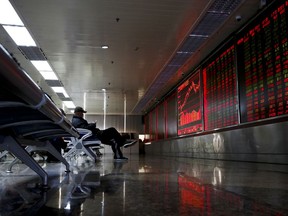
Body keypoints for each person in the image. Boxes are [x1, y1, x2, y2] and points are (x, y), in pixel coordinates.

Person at [71, 106, 136, 161]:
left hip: (93, 135)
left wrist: (91, 124)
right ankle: (124, 142)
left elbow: (84, 127)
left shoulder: (76, 120)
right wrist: (93, 125)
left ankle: (118, 156)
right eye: (82, 112)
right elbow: (85, 128)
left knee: (114, 141)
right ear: (77, 112)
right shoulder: (77, 120)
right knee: (112, 130)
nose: (83, 114)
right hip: (95, 135)